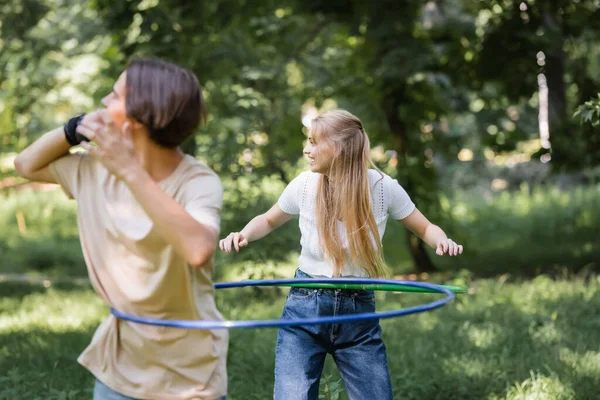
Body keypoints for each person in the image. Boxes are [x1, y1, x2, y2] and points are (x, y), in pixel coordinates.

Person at [14, 58, 228, 400]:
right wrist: (74, 129)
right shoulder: (93, 169)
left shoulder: (197, 181)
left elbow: (198, 249)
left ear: (139, 117)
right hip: (119, 366)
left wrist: (129, 169)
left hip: (189, 375)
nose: (101, 104)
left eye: (113, 96)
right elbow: (25, 165)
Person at [219, 109, 463, 400]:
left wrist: (442, 241)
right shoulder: (305, 185)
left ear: (338, 148)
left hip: (358, 311)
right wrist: (243, 234)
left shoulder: (382, 188)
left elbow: (424, 227)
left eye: (313, 142)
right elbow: (269, 219)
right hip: (305, 308)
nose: (306, 149)